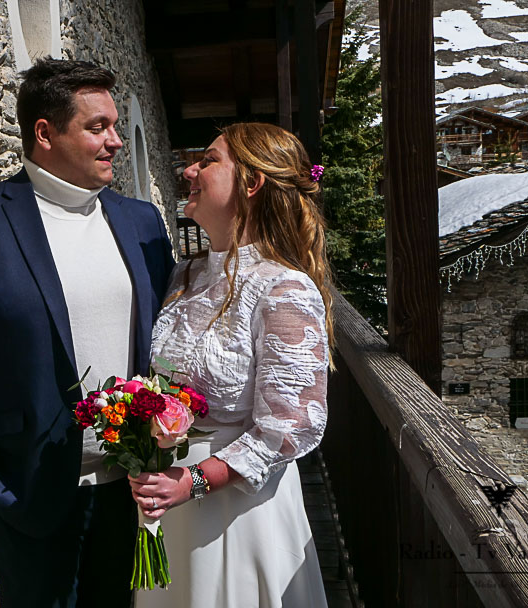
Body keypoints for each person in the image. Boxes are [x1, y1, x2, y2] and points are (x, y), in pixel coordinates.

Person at [0, 57, 176, 608]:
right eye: (97, 127)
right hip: (25, 493)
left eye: (114, 126)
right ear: (45, 133)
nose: (115, 141)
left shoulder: (141, 222)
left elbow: (168, 337)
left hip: (131, 489)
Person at [131, 122, 333, 607]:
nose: (189, 171)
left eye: (208, 161)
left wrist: (196, 481)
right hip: (169, 504)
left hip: (237, 513)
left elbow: (289, 428)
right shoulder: (185, 275)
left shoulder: (283, 288)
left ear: (252, 182)